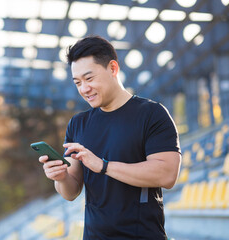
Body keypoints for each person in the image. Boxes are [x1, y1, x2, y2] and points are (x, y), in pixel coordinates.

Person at [39, 36, 181, 239]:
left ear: (113, 68)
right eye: (77, 82)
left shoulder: (152, 114)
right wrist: (60, 177)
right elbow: (70, 192)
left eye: (89, 79)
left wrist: (103, 166)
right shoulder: (78, 124)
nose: (83, 89)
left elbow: (167, 175)